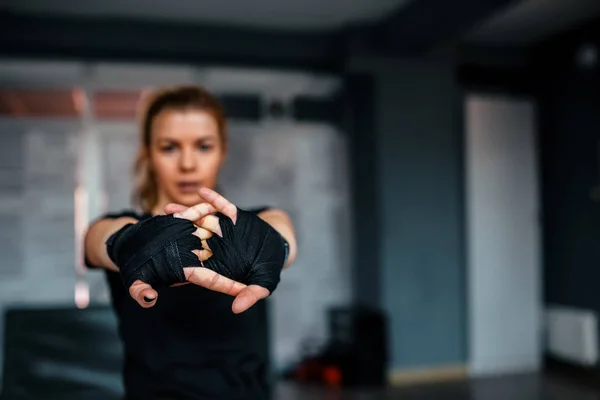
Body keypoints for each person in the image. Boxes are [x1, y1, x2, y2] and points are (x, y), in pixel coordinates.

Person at [84, 85, 298, 400]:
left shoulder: (255, 224)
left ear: (222, 151)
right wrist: (129, 242)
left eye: (203, 146)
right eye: (169, 147)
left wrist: (270, 247)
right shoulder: (126, 226)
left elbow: (283, 235)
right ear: (148, 152)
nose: (187, 164)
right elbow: (97, 239)